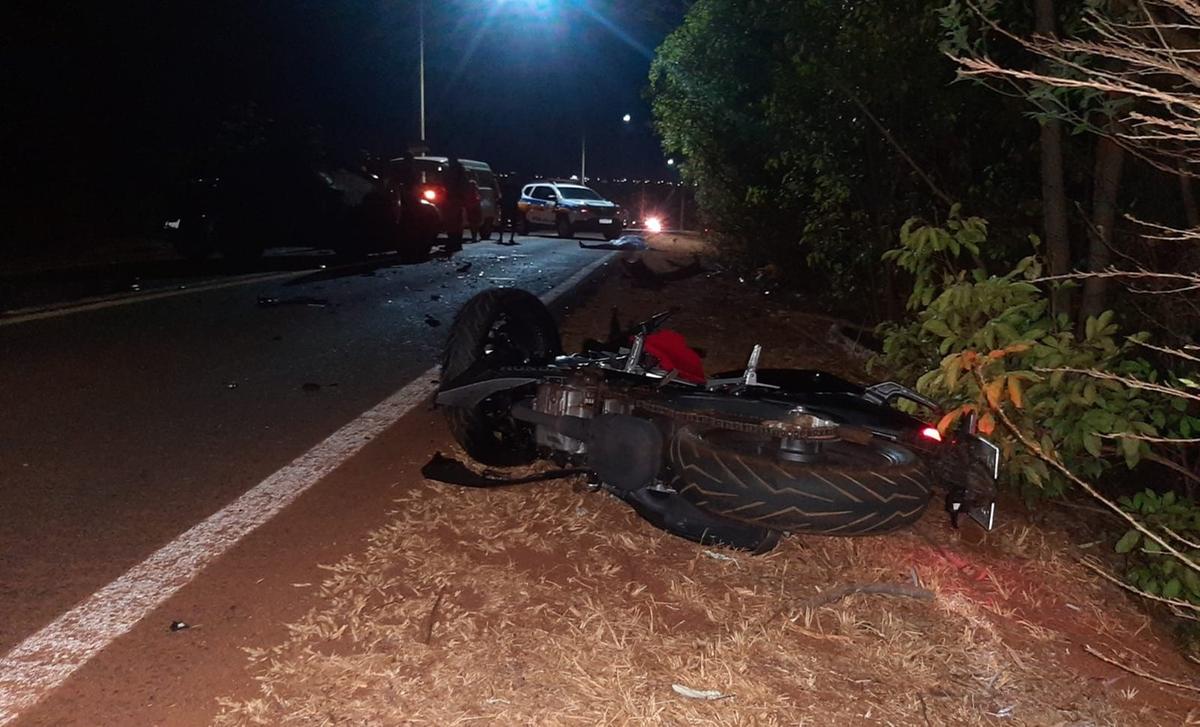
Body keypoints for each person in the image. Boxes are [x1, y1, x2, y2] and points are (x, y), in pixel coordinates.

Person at [443, 158, 468, 251]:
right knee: (456, 222)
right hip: (456, 198)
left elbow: (447, 183)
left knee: (452, 222)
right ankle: (456, 242)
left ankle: (454, 242)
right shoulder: (460, 172)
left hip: (453, 198)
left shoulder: (454, 172)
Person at [465, 178, 483, 242]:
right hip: (473, 208)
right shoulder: (475, 193)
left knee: (472, 224)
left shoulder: (470, 192)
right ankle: (474, 236)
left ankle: (474, 236)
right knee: (474, 224)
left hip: (471, 208)